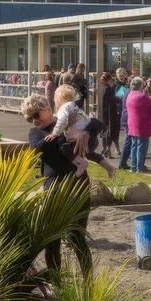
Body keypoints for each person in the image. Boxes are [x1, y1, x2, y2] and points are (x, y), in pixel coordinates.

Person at [23, 93, 100, 274]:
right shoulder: (36, 132)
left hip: (77, 183)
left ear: (48, 109)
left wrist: (86, 133)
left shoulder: (71, 122)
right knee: (52, 238)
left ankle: (88, 283)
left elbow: (92, 141)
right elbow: (38, 150)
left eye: (36, 115)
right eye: (29, 118)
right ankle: (57, 282)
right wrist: (59, 133)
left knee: (76, 236)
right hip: (54, 186)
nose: (33, 120)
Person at [48, 84, 116, 177]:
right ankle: (109, 167)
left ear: (58, 98)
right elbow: (87, 120)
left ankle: (81, 164)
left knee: (65, 148)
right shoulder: (75, 107)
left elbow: (62, 120)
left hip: (81, 139)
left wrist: (55, 134)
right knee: (90, 154)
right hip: (91, 138)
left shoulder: (64, 108)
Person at [125, 77, 151, 172]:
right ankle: (140, 167)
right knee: (141, 146)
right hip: (142, 124)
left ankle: (134, 166)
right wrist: (150, 98)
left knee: (134, 145)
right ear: (140, 85)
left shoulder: (129, 95)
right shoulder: (142, 96)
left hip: (132, 123)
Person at [98, 73, 120, 158]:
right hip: (110, 112)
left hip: (103, 112)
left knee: (105, 130)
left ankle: (104, 148)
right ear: (108, 79)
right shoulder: (108, 89)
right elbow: (113, 100)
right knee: (110, 130)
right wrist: (119, 99)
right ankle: (108, 149)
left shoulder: (101, 88)